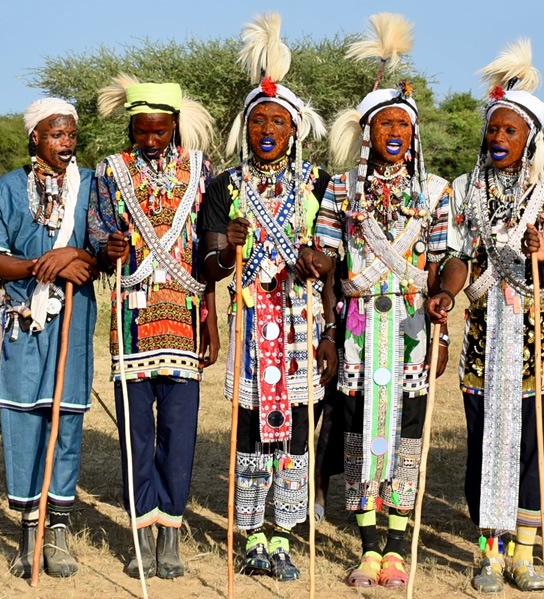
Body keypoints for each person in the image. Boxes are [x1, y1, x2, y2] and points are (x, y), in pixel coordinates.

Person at [427, 39, 544, 594]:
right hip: (485, 335)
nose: (499, 139)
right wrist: (446, 293)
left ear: (530, 137)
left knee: (533, 447)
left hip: (536, 334)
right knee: (486, 441)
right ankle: (488, 550)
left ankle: (526, 554)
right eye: (493, 129)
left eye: (510, 131)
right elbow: (462, 257)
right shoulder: (466, 189)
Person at [197, 13, 336, 582]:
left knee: (298, 430)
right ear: (246, 127)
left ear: (294, 129)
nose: (267, 130)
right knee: (251, 431)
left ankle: (284, 534)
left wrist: (328, 323)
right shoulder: (225, 186)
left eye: (278, 121)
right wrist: (226, 250)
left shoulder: (320, 184)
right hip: (254, 328)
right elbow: (208, 265)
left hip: (302, 323)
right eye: (259, 120)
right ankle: (252, 532)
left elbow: (335, 264)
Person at [317, 13, 452, 589]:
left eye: (403, 123)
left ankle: (399, 541)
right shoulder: (341, 188)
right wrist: (321, 304)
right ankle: (368, 541)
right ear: (367, 132)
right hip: (353, 326)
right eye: (383, 124)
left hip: (412, 326)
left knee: (408, 428)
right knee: (355, 426)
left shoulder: (436, 191)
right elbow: (325, 259)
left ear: (414, 134)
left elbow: (450, 258)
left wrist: (444, 297)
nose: (393, 132)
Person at [89, 73, 218, 579]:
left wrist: (210, 322)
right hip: (131, 320)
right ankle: (142, 530)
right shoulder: (110, 171)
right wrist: (108, 247)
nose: (149, 140)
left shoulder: (201, 172)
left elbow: (207, 257)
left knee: (179, 433)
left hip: (184, 318)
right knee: (137, 434)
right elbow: (98, 231)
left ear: (174, 127)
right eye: (141, 131)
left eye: (159, 131)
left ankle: (172, 531)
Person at [0, 98, 97, 580]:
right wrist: (40, 266)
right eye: (56, 133)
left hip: (74, 316)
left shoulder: (91, 185)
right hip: (22, 320)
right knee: (24, 419)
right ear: (35, 136)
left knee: (65, 419)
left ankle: (58, 531)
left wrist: (75, 253)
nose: (66, 142)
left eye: (71, 133)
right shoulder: (9, 188)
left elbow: (102, 251)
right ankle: (28, 532)